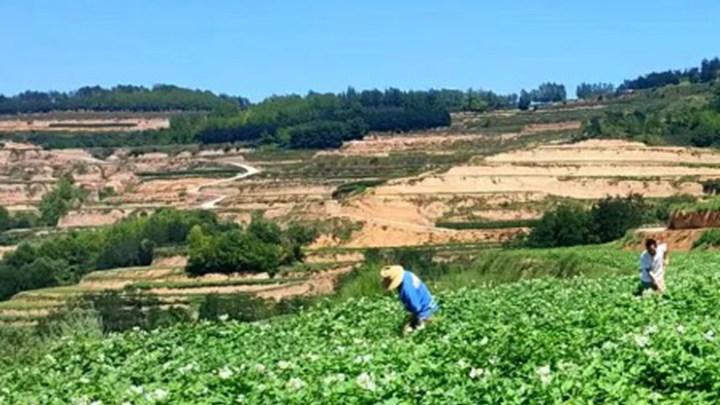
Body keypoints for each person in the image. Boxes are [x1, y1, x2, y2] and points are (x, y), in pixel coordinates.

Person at [380, 265, 438, 334]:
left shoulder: (406, 290)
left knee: (407, 333)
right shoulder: (407, 274)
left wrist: (410, 322)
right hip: (430, 305)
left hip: (426, 312)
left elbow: (416, 307)